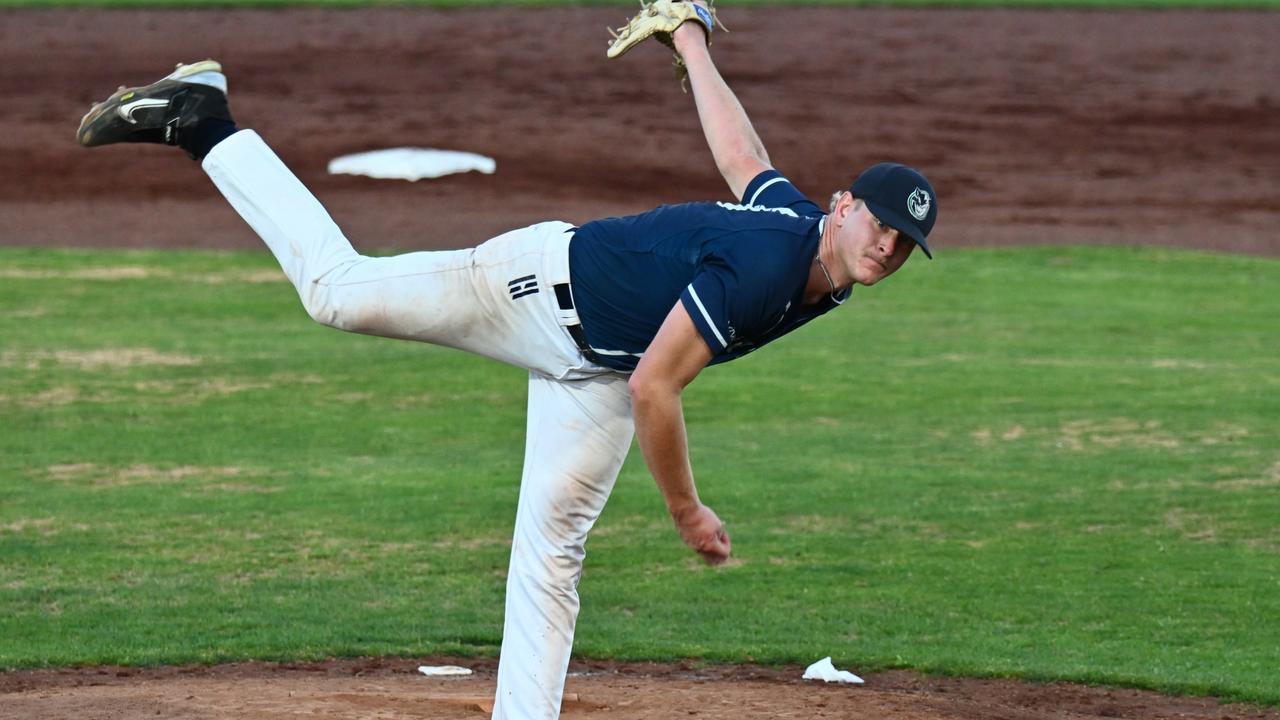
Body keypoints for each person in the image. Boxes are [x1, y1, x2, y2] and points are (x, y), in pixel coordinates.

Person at [76, 12, 937, 720]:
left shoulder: (811, 239)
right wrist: (684, 510)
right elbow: (656, 389)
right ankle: (205, 120)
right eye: (880, 226)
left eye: (903, 244)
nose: (887, 247)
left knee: (553, 551)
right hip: (532, 291)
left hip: (595, 360)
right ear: (845, 206)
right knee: (336, 292)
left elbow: (746, 159)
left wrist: (691, 43)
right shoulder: (768, 267)